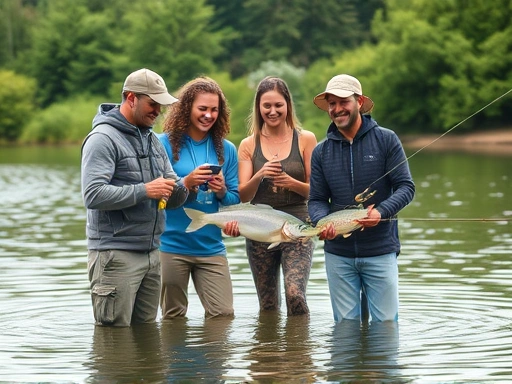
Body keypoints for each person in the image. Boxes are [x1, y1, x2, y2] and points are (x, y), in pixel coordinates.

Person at [81, 68, 189, 327]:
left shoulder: (152, 140)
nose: (158, 111)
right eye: (153, 104)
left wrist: (186, 187)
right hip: (115, 255)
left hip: (152, 253)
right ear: (131, 98)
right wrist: (145, 190)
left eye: (161, 105)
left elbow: (170, 196)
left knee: (147, 339)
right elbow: (93, 194)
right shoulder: (102, 139)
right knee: (114, 341)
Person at [308, 74, 415, 323]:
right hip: (338, 254)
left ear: (359, 101)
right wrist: (322, 223)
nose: (336, 109)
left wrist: (382, 212)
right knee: (345, 327)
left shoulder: (387, 140)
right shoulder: (321, 151)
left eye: (343, 101)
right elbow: (316, 199)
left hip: (380, 251)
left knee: (386, 325)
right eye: (331, 104)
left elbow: (406, 187)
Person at [224, 76, 318, 316]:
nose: (273, 111)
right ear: (258, 108)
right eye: (267, 106)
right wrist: (261, 175)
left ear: (288, 105)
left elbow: (316, 190)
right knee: (267, 305)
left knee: (295, 294)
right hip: (259, 229)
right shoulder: (248, 144)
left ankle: (299, 350)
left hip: (298, 227)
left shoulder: (305, 139)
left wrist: (291, 183)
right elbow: (242, 194)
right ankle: (267, 352)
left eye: (278, 105)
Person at [157, 76, 240, 319]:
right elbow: (157, 196)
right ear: (187, 108)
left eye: (214, 110)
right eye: (202, 109)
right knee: (173, 317)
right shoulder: (163, 144)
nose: (208, 115)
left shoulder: (227, 150)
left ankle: (213, 358)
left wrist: (222, 191)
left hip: (211, 248)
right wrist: (186, 183)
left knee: (223, 315)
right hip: (170, 245)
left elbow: (234, 202)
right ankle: (174, 359)